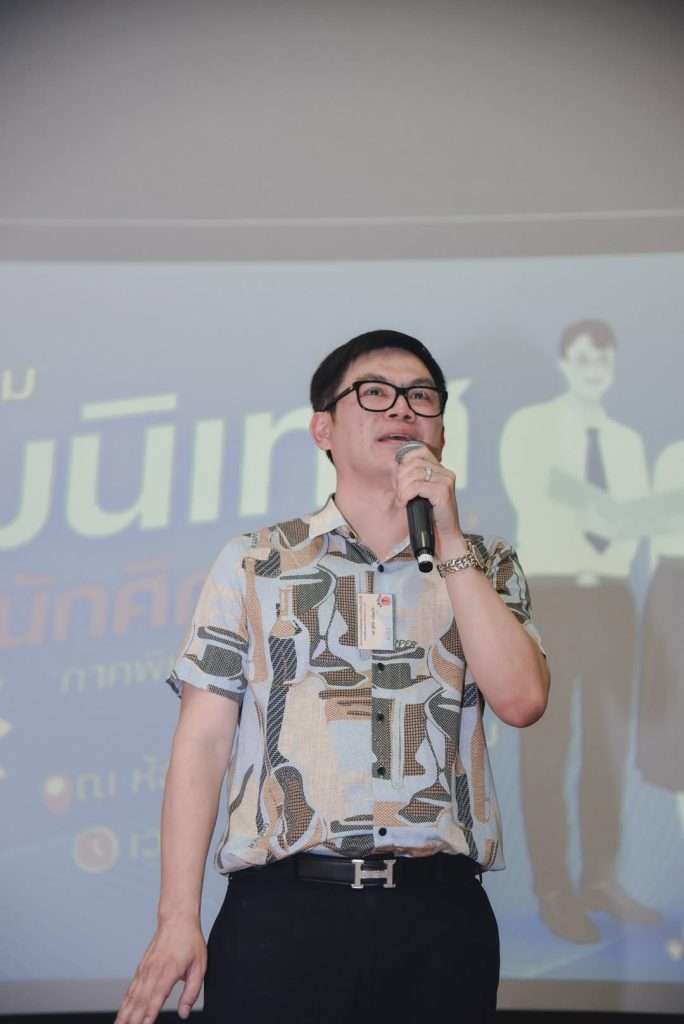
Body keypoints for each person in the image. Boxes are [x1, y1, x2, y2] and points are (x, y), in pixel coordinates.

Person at [116, 329, 549, 1024]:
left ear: (441, 431)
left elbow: (522, 700)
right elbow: (202, 745)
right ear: (323, 428)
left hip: (440, 917)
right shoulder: (257, 562)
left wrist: (450, 539)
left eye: (422, 397)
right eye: (374, 393)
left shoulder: (486, 563)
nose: (401, 408)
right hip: (282, 915)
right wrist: (176, 918)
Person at [500, 319, 660, 944]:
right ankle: (552, 889)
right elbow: (540, 496)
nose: (595, 366)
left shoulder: (626, 441)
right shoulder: (531, 426)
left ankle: (600, 878)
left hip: (613, 600)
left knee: (608, 747)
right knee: (549, 748)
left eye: (604, 357)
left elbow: (630, 524)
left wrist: (614, 513)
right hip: (555, 595)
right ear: (566, 363)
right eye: (584, 356)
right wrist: (610, 510)